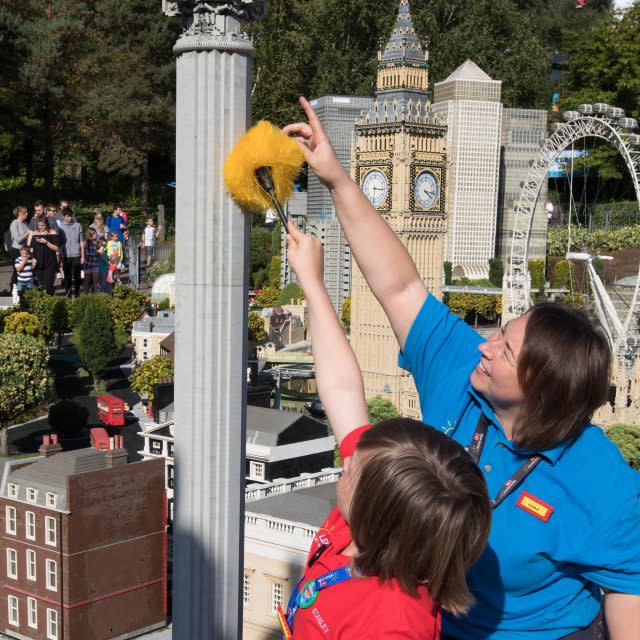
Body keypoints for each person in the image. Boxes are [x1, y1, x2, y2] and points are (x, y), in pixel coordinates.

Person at [284, 96, 640, 640]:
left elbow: (628, 590)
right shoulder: (463, 374)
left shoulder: (599, 479)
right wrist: (339, 181)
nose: (484, 347)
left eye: (505, 351)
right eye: (500, 331)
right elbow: (399, 286)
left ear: (543, 391)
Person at [279, 220, 491, 639]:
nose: (347, 461)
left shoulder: (393, 623)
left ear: (377, 511)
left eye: (353, 469)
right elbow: (341, 389)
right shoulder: (363, 526)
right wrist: (313, 284)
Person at [27, 216, 60, 295]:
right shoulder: (35, 233)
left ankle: (51, 300)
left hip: (50, 262)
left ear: (47, 224)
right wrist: (33, 258)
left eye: (43, 225)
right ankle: (47, 301)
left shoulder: (52, 233)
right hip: (38, 262)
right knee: (42, 285)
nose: (41, 227)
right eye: (39, 225)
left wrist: (46, 242)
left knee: (48, 285)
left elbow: (57, 248)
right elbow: (31, 248)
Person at [58, 209, 84, 298]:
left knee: (77, 276)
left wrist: (83, 255)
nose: (69, 218)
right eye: (67, 216)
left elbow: (81, 241)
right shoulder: (60, 227)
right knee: (67, 277)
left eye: (70, 216)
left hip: (76, 254)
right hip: (65, 255)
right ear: (63, 217)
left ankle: (77, 294)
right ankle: (68, 294)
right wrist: (59, 257)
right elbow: (59, 243)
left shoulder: (78, 225)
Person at [8, 206, 30, 290]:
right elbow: (17, 240)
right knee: (17, 270)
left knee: (26, 269)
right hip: (16, 250)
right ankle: (13, 289)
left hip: (25, 250)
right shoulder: (15, 223)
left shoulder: (25, 223)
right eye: (25, 212)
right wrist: (28, 233)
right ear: (20, 213)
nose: (27, 214)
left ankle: (25, 289)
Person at [83, 228, 100, 294]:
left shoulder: (97, 242)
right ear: (89, 235)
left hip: (95, 265)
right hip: (88, 266)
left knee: (96, 283)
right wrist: (96, 253)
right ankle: (86, 297)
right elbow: (86, 253)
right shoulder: (87, 242)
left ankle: (96, 297)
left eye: (95, 233)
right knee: (87, 283)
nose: (95, 235)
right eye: (93, 234)